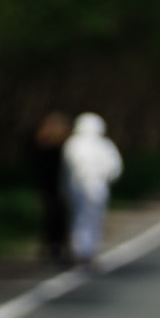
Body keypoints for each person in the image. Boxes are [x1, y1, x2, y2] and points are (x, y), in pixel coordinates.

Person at [62, 112, 122, 265]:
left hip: (77, 185)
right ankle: (87, 252)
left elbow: (67, 168)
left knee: (80, 218)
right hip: (96, 185)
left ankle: (81, 252)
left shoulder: (73, 143)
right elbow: (115, 167)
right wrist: (105, 177)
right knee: (94, 219)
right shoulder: (104, 144)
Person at [32, 112, 71, 261]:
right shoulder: (59, 148)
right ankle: (57, 247)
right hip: (55, 186)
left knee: (50, 217)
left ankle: (51, 247)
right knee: (58, 217)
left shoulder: (42, 145)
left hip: (47, 186)